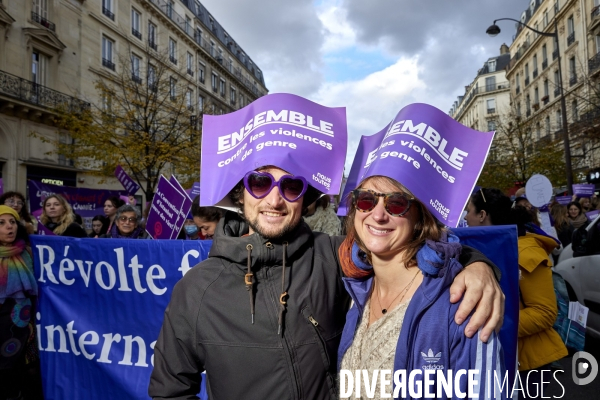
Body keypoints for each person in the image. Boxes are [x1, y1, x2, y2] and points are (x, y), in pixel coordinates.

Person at [149, 166, 504, 400]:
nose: (274, 199)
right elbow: (170, 391)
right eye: (260, 183)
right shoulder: (196, 289)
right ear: (240, 193)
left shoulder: (335, 257)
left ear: (307, 198)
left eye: (290, 186)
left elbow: (404, 250)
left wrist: (478, 267)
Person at [337, 177, 504, 398]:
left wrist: (479, 266)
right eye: (366, 200)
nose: (377, 215)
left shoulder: (462, 304)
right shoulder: (356, 291)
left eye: (396, 203)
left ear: (420, 215)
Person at [467, 189, 567, 399]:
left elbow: (545, 312)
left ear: (483, 215)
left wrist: (494, 325)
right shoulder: (484, 250)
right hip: (502, 358)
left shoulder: (526, 252)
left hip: (530, 365)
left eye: (469, 211)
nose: (466, 218)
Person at [0, 205, 42, 400]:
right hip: (1, 325)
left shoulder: (27, 253)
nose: (10, 227)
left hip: (24, 325)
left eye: (12, 222)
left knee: (22, 373)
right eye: (2, 223)